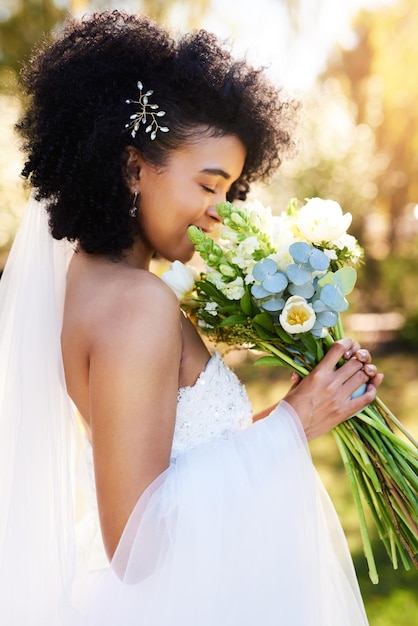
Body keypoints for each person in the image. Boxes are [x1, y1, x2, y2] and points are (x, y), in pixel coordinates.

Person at [0, 10, 383, 626]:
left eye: (230, 191)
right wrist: (292, 423)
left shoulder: (95, 283)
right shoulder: (136, 303)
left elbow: (173, 460)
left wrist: (305, 406)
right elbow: (137, 545)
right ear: (132, 169)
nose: (221, 212)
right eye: (208, 186)